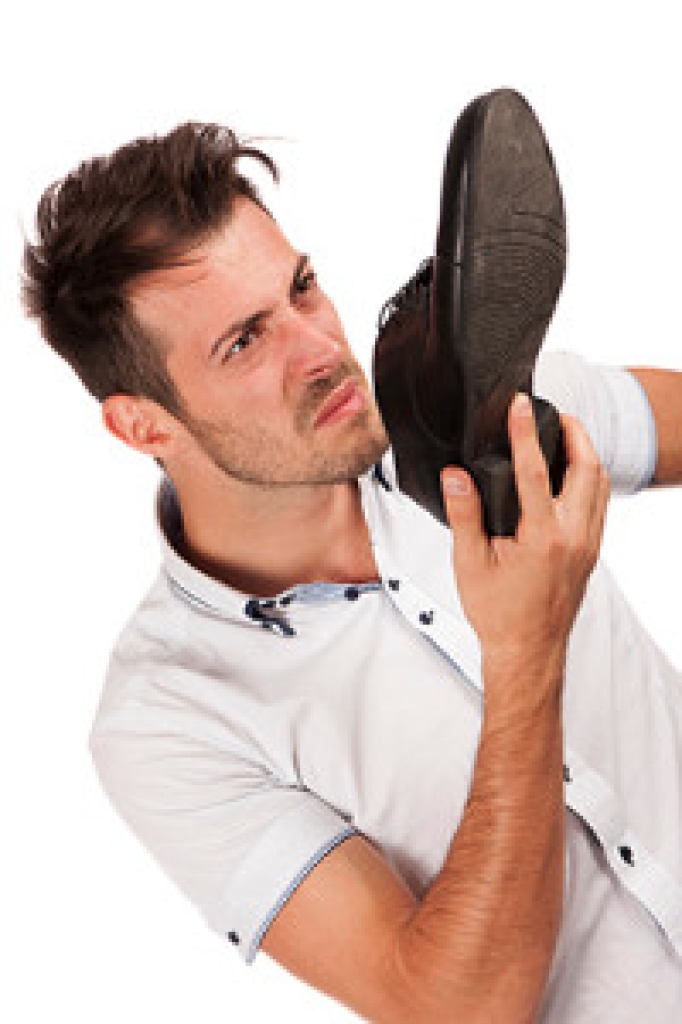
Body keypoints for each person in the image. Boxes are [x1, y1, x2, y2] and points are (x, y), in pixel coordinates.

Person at [23, 123, 682, 1022]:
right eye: (245, 341)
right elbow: (457, 1010)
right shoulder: (166, 722)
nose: (322, 350)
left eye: (302, 287)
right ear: (143, 425)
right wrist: (526, 653)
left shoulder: (495, 420)